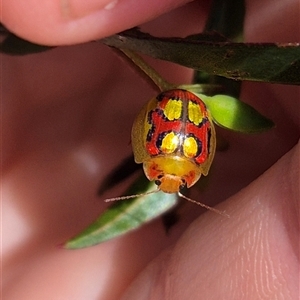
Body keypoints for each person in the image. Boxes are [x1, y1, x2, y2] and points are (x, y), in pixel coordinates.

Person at [2, 0, 299, 299]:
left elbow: (167, 134)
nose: (168, 183)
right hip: (186, 103)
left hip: (190, 106)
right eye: (180, 183)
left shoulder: (194, 161)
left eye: (158, 181)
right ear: (191, 177)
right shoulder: (161, 159)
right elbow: (153, 135)